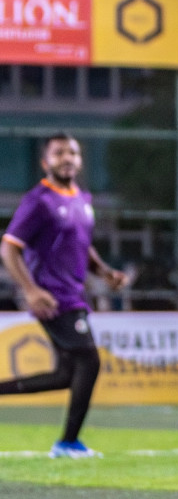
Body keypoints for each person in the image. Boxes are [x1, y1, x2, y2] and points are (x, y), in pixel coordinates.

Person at [0, 134, 127, 457]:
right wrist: (30, 290)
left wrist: (104, 272)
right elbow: (9, 247)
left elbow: (82, 246)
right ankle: (68, 443)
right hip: (53, 298)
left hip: (74, 294)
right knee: (89, 360)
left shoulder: (82, 199)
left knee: (66, 375)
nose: (67, 158)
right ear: (46, 162)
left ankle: (68, 442)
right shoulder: (39, 200)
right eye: (59, 153)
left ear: (80, 160)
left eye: (72, 152)